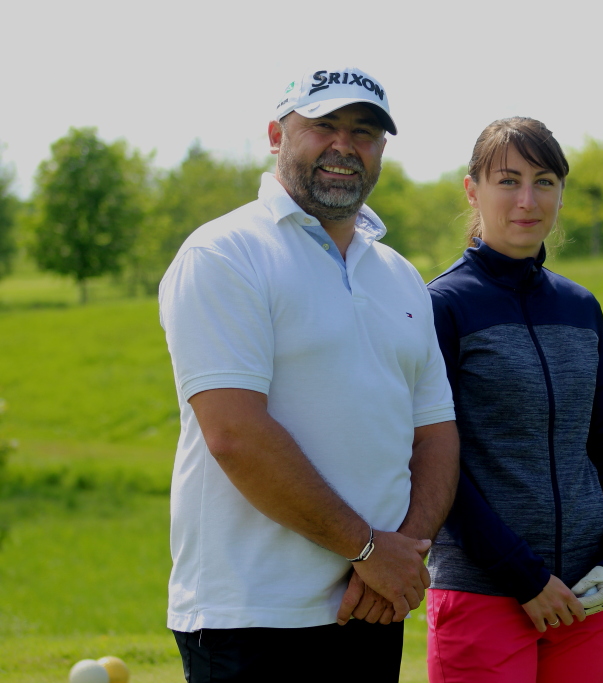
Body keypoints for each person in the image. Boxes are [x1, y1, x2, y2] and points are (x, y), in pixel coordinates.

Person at [158, 66, 459, 683]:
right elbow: (235, 434)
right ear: (276, 135)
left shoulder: (400, 275)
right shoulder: (224, 254)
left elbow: (435, 434)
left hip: (372, 607)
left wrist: (401, 556)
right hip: (250, 616)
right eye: (324, 126)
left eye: (365, 132)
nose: (345, 145)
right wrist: (367, 548)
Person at [424, 117, 603, 683]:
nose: (528, 199)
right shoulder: (441, 306)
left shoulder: (580, 306)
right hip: (484, 592)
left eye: (544, 182)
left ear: (561, 194)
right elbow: (433, 465)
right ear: (472, 190)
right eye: (508, 181)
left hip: (586, 595)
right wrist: (523, 577)